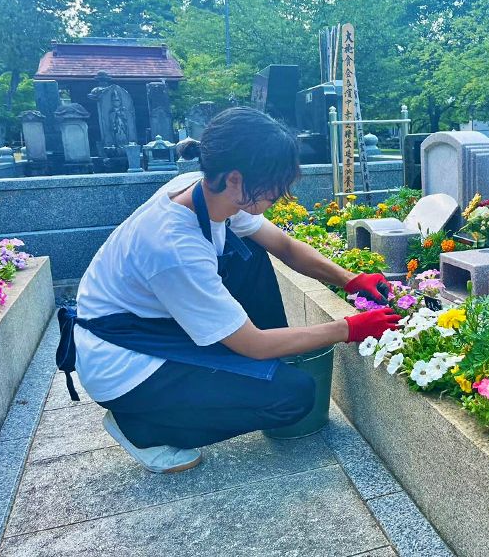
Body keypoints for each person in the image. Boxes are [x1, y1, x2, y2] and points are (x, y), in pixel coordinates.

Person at [58, 107, 400, 473]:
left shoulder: (208, 192)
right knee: (292, 396)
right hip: (127, 361)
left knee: (251, 251)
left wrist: (350, 279)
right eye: (275, 185)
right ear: (236, 180)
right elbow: (251, 344)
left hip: (152, 324)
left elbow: (283, 245)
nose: (281, 194)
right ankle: (139, 426)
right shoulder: (174, 247)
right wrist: (349, 328)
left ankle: (259, 370)